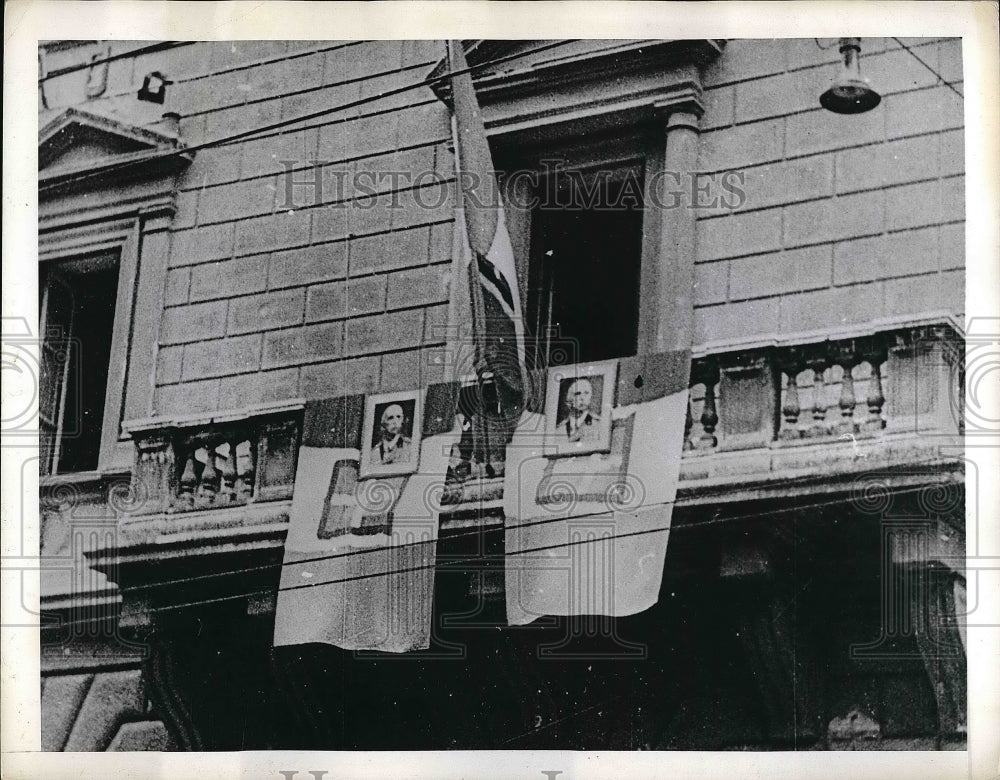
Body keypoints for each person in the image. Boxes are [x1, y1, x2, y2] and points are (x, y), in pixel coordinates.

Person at [561, 378, 601, 443]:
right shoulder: (561, 429)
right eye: (578, 393)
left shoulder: (599, 425)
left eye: (586, 393)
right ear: (570, 398)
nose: (582, 398)